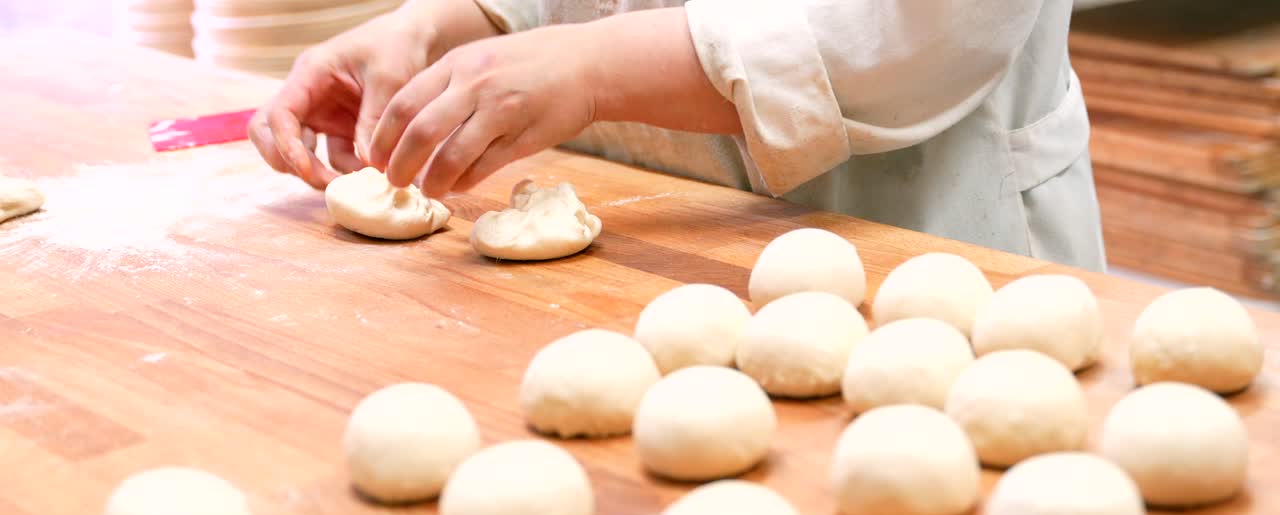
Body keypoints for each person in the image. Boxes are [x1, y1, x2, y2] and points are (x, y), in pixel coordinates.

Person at [251, 0, 1105, 270]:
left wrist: (590, 70)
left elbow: (930, 25)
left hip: (927, 231)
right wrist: (448, 22)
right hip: (646, 248)